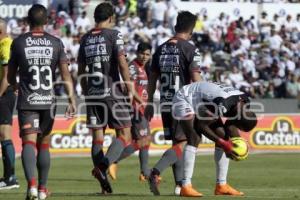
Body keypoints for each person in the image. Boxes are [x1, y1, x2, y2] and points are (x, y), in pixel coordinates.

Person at [8, 4, 76, 200]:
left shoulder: (19, 42)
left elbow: (11, 76)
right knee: (44, 144)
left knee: (28, 143)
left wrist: (13, 85)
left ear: (28, 21)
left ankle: (31, 186)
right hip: (49, 101)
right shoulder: (56, 42)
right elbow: (65, 74)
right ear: (46, 21)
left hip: (28, 100)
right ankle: (43, 189)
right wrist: (71, 99)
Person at [77, 2, 142, 194]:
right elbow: (122, 64)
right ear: (111, 18)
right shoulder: (114, 35)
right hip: (112, 92)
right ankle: (103, 168)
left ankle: (104, 187)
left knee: (97, 138)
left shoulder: (85, 38)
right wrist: (130, 88)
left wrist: (86, 91)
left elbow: (81, 70)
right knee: (125, 135)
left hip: (92, 94)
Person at [144, 11, 202, 196]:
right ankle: (155, 172)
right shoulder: (190, 49)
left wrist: (149, 102)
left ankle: (179, 186)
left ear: (176, 27)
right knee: (183, 144)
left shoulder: (160, 49)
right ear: (191, 30)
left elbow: (152, 79)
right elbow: (196, 79)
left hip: (165, 102)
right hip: (182, 102)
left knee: (178, 142)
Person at [172, 81, 257, 197]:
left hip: (205, 100)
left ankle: (221, 186)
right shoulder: (223, 104)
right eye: (240, 128)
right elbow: (201, 125)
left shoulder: (245, 102)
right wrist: (223, 143)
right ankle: (185, 186)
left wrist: (238, 142)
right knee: (194, 137)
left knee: (224, 136)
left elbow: (230, 125)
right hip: (185, 97)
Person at [108, 42, 152, 181]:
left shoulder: (143, 68)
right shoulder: (133, 67)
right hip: (135, 108)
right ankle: (111, 162)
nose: (144, 57)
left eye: (147, 54)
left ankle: (144, 171)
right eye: (142, 54)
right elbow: (130, 88)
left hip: (141, 108)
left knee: (143, 140)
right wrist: (138, 103)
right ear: (137, 53)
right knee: (142, 141)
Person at [0, 18, 19, 190]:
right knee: (3, 136)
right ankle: (7, 176)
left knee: (5, 135)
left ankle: (10, 178)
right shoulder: (6, 44)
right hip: (6, 93)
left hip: (5, 94)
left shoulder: (5, 45)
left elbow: (6, 76)